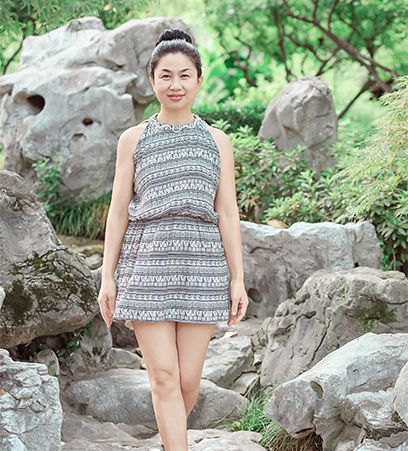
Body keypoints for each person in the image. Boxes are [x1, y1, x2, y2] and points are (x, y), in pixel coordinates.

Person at [97, 27, 249, 451]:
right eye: (166, 75)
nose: (175, 84)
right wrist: (107, 277)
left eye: (184, 75)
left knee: (187, 382)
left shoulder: (217, 141)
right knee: (163, 377)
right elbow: (119, 210)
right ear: (152, 81)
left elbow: (228, 212)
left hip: (202, 267)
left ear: (199, 80)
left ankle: (169, 443)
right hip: (147, 264)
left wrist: (238, 279)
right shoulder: (133, 139)